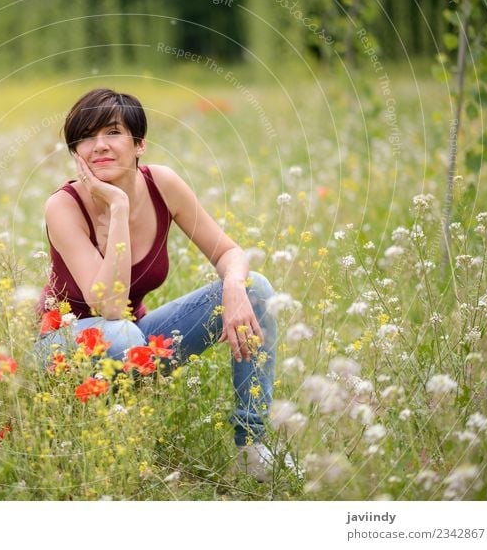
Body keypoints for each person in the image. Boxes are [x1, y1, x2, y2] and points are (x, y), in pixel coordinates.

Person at [34, 88, 297, 481]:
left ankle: (252, 446)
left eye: (112, 132)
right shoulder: (64, 206)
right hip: (63, 345)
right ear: (75, 153)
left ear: (139, 144)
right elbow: (108, 307)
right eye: (86, 137)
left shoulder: (162, 184)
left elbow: (230, 252)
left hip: (135, 341)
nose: (99, 146)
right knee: (121, 334)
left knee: (255, 287)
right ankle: (102, 437)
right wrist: (118, 208)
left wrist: (234, 287)